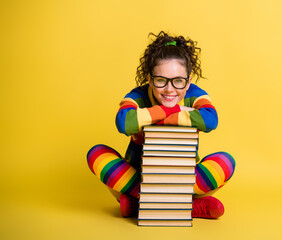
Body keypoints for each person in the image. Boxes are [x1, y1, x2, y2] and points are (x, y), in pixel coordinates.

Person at [87, 31, 236, 219]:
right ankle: (181, 206)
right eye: (160, 81)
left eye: (178, 81)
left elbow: (210, 120)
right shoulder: (138, 95)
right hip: (139, 177)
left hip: (184, 177)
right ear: (149, 79)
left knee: (226, 162)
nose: (169, 89)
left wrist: (148, 117)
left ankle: (140, 205)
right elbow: (124, 123)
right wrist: (170, 112)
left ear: (188, 81)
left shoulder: (195, 94)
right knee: (96, 154)